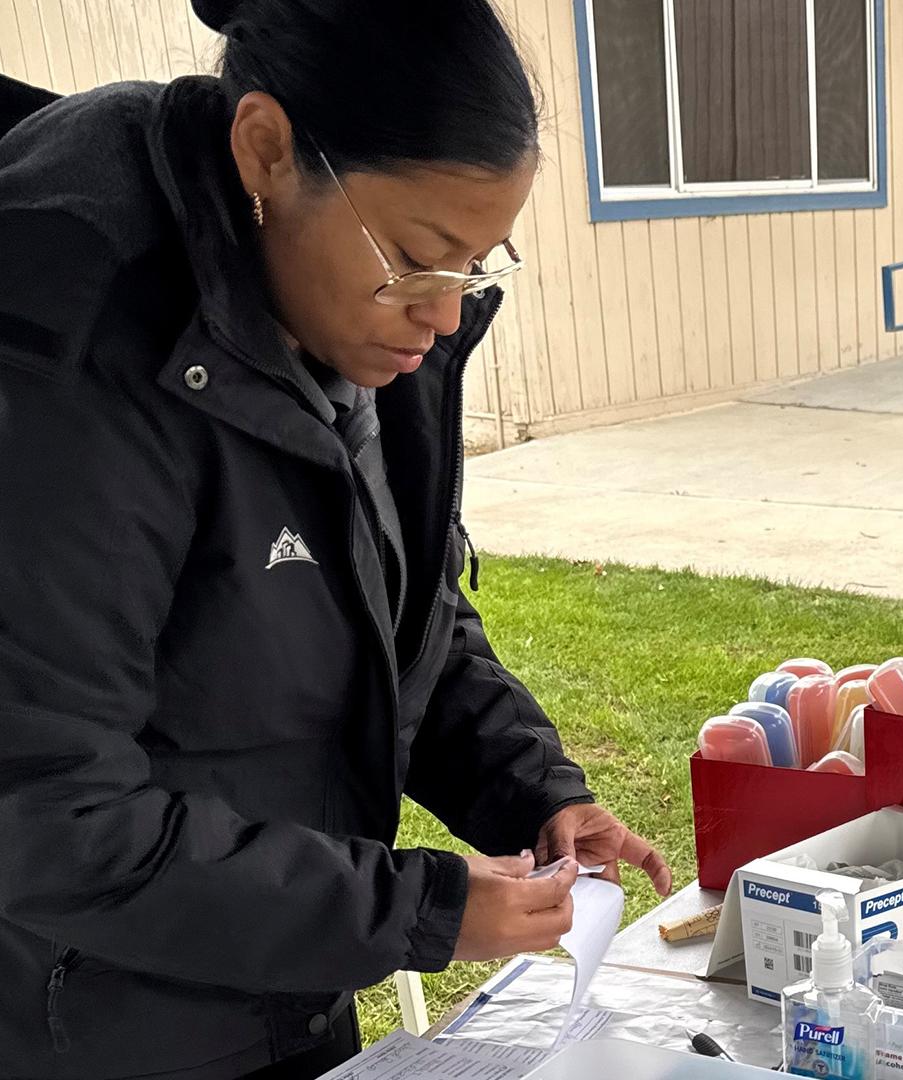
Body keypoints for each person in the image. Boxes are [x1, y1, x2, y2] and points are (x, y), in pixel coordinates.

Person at [0, 2, 671, 1077]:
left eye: (477, 264)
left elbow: (402, 615)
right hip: (101, 1027)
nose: (446, 316)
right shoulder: (65, 356)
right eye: (418, 257)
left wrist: (537, 792)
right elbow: (48, 816)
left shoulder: (330, 313)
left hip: (279, 989)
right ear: (265, 150)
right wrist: (421, 913)